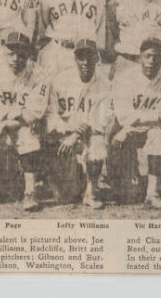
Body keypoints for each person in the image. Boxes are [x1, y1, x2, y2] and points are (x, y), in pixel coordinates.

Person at [0, 32, 50, 211]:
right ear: (4, 52)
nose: (16, 58)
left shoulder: (39, 74)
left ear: (29, 55)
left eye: (21, 54)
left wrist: (4, 124)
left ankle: (30, 191)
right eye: (11, 53)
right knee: (1, 193)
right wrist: (3, 124)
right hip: (2, 126)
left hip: (24, 126)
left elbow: (33, 114)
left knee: (29, 135)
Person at [111, 37, 161, 209]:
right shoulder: (124, 78)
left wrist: (135, 121)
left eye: (156, 57)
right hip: (128, 129)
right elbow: (122, 116)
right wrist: (128, 127)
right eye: (147, 56)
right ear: (139, 57)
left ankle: (152, 193)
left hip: (152, 129)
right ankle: (115, 181)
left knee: (158, 135)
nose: (151, 61)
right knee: (128, 196)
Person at [45, 39, 112, 209]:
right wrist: (67, 131)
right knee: (66, 196)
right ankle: (71, 179)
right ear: (74, 59)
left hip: (88, 135)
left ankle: (91, 190)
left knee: (97, 144)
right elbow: (51, 114)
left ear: (97, 58)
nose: (85, 61)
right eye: (81, 57)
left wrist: (76, 134)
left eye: (89, 56)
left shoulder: (105, 84)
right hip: (64, 136)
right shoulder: (60, 80)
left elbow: (102, 119)